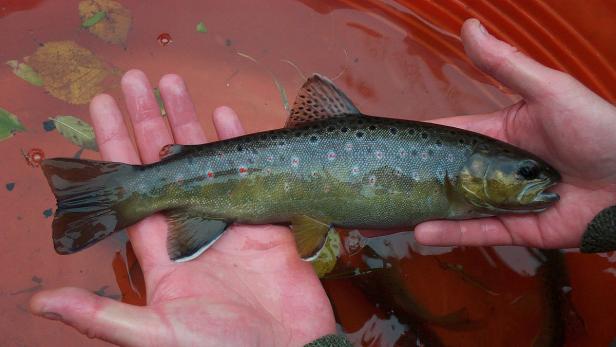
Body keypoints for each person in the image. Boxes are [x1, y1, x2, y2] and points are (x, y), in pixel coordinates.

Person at [29, 18, 616, 346]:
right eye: (526, 174)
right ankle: (125, 191)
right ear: (474, 176)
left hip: (273, 169)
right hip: (285, 162)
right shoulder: (458, 189)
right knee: (155, 189)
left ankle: (132, 191)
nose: (541, 182)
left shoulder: (463, 184)